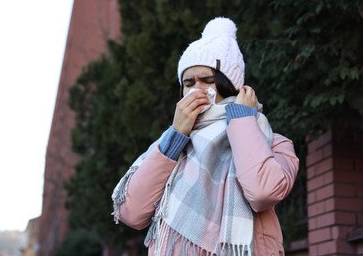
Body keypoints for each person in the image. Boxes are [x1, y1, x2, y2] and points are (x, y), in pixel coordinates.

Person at [112, 17, 299, 256]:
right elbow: (132, 212)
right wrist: (176, 135)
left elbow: (263, 192)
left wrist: (242, 119)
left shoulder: (274, 143)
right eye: (188, 83)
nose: (197, 89)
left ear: (229, 86)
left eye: (208, 80)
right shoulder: (170, 145)